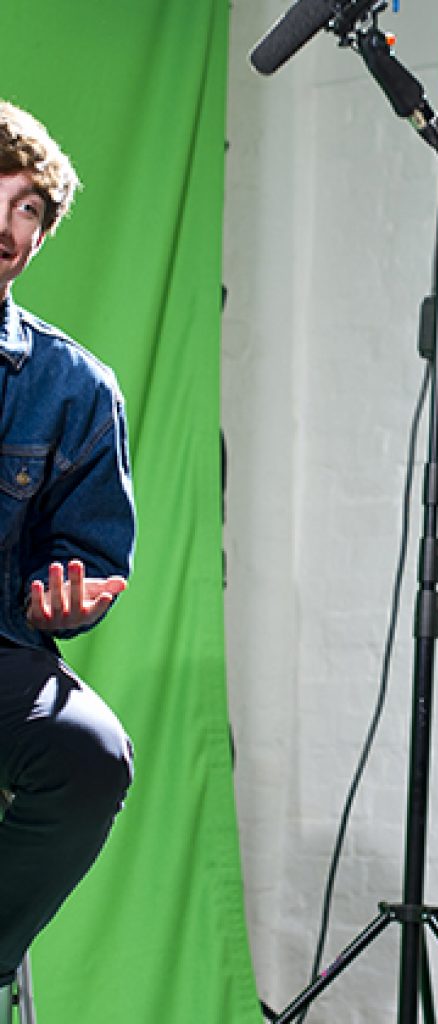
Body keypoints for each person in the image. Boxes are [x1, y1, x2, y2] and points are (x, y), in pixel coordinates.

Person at [0, 100, 135, 989]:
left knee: (90, 751)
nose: (6, 228)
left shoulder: (75, 387)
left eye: (27, 209)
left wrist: (64, 599)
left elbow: (85, 553)